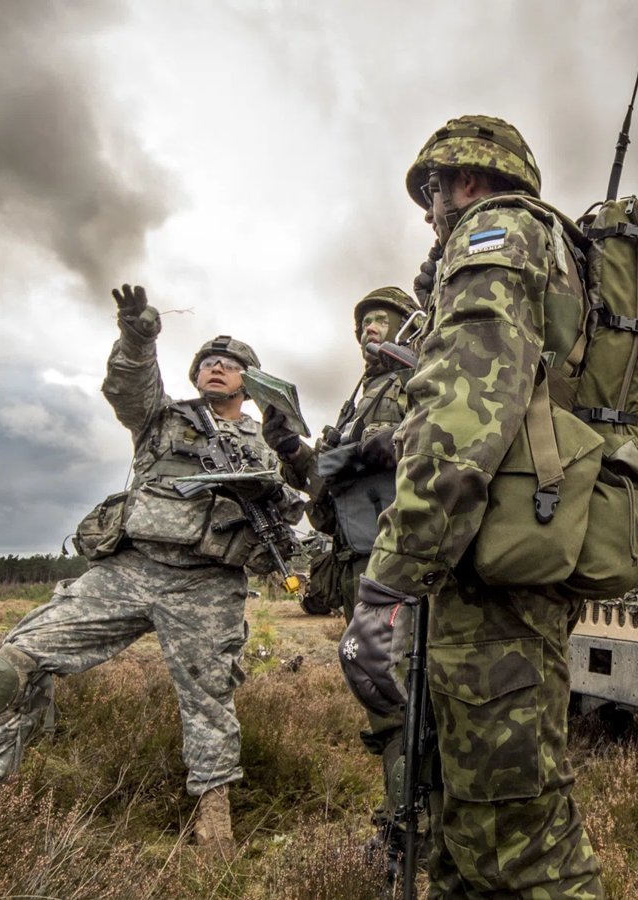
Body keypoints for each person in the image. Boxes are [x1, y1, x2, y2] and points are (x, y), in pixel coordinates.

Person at [342, 115, 604, 897]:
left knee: (520, 850)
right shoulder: (547, 251)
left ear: (460, 180)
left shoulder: (497, 232)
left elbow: (462, 419)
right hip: (509, 558)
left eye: (431, 196)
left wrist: (389, 585)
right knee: (466, 831)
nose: (430, 218)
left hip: (494, 587)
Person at [0, 284, 302, 858]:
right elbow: (128, 385)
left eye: (231, 363)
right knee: (10, 663)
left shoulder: (268, 445)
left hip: (207, 582)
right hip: (129, 568)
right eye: (209, 361)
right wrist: (137, 339)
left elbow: (291, 511)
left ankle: (214, 827)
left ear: (250, 382)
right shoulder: (160, 418)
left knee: (209, 702)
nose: (217, 367)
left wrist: (272, 494)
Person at [261, 287, 421, 862]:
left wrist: (348, 456)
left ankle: (410, 831)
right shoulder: (358, 402)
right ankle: (405, 821)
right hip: (360, 563)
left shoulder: (418, 377)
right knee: (383, 698)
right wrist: (291, 449)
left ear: (407, 326)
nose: (370, 329)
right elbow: (325, 494)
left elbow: (420, 446)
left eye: (382, 319)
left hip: (406, 562)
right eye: (363, 324)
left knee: (408, 700)